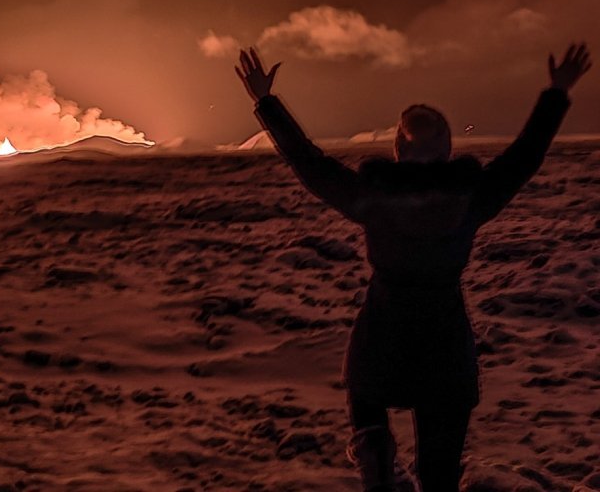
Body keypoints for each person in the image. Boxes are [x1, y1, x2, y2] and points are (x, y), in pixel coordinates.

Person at [235, 45, 591, 492]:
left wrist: (266, 102)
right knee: (439, 473)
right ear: (447, 149)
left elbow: (309, 163)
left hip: (382, 336)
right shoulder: (469, 198)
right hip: (445, 346)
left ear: (398, 150)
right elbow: (524, 157)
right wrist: (556, 93)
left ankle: (376, 459)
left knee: (366, 401)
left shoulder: (373, 197)